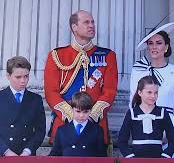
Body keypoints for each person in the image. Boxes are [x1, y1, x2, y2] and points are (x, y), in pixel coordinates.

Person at [44, 10, 118, 152]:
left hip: (96, 127)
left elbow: (109, 91)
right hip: (64, 127)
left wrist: (90, 117)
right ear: (74, 27)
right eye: (86, 22)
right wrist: (74, 117)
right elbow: (51, 92)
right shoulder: (57, 55)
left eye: (92, 22)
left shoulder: (108, 55)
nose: (91, 25)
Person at [130, 22, 174, 158]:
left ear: (166, 47)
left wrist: (170, 131)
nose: (154, 47)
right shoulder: (138, 71)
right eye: (150, 43)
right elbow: (132, 102)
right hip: (144, 127)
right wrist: (139, 128)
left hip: (169, 128)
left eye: (159, 43)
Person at [118, 76, 174, 158]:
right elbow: (121, 141)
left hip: (158, 159)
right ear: (140, 92)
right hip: (136, 160)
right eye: (149, 92)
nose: (153, 96)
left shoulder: (163, 112)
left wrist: (165, 157)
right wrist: (131, 157)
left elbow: (173, 141)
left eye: (156, 92)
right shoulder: (131, 113)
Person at [0, 56, 46, 156]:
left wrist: (28, 151)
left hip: (26, 155)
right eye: (18, 77)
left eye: (26, 76)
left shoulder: (36, 99)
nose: (23, 81)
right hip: (2, 154)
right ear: (8, 76)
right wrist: (6, 151)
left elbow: (40, 130)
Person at [49, 92, 106, 157]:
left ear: (91, 111)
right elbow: (55, 154)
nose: (81, 115)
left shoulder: (97, 130)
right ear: (72, 109)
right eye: (78, 111)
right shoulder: (61, 130)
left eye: (85, 112)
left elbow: (102, 156)